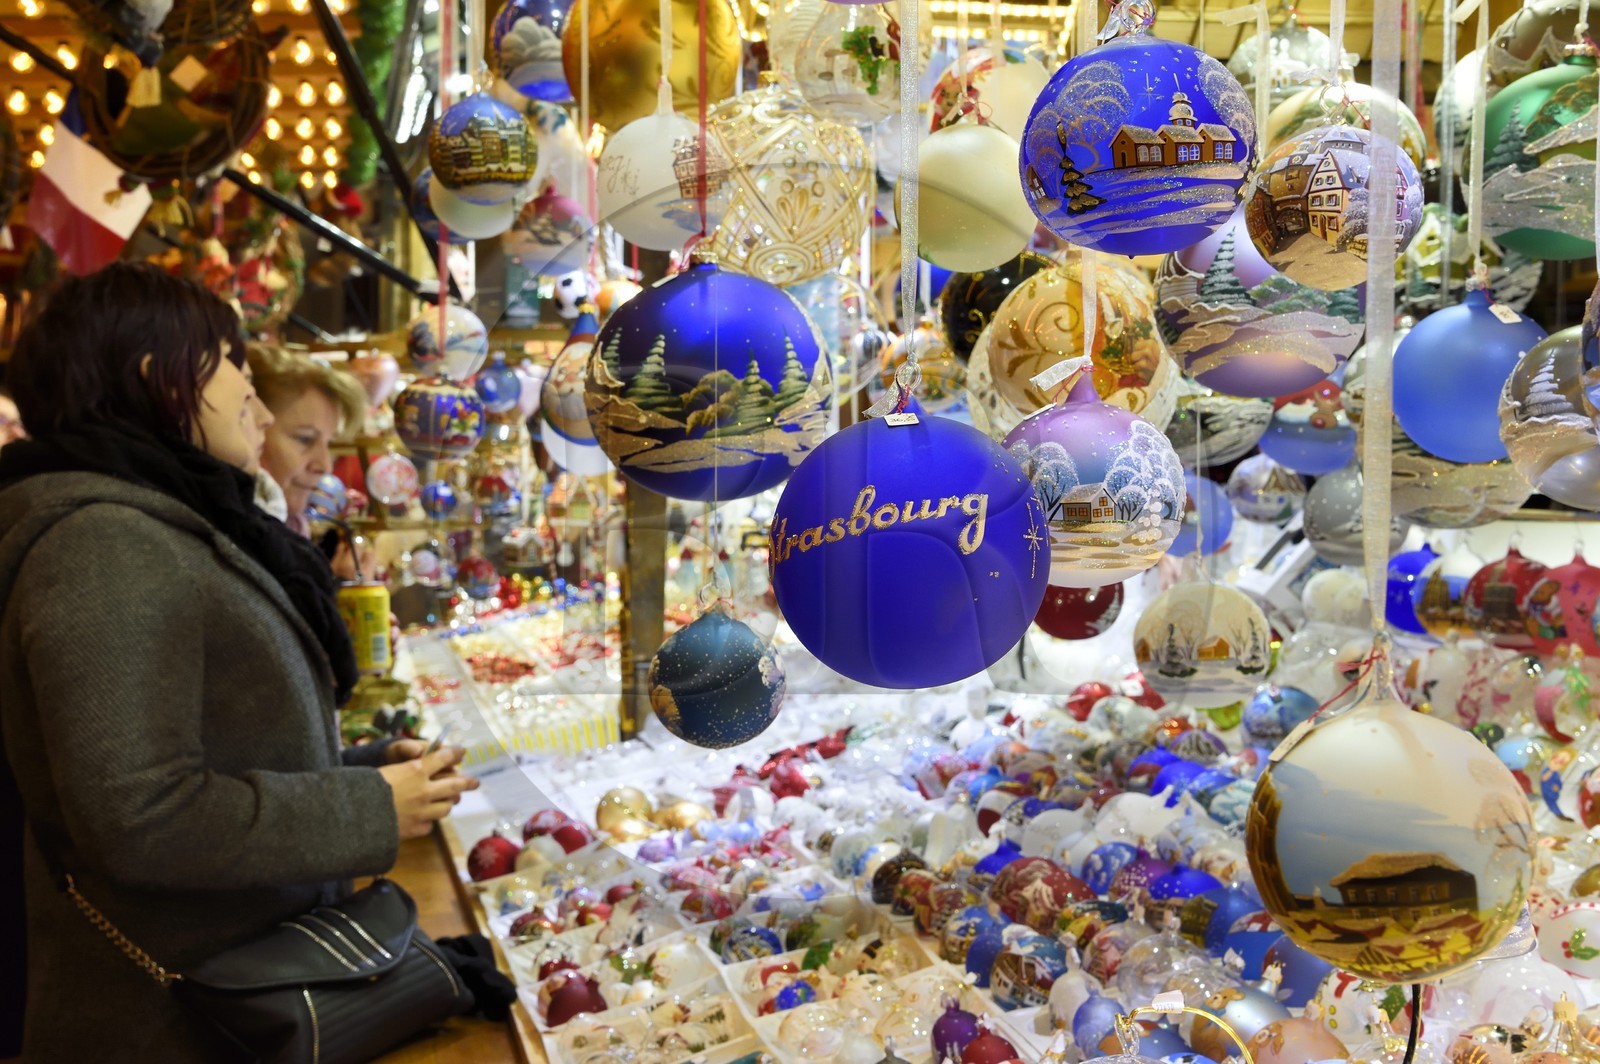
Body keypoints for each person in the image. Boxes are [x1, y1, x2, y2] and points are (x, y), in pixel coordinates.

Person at [0, 263, 479, 1061]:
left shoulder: (160, 520)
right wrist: (364, 811)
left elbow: (199, 742)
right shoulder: (103, 542)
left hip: (243, 999)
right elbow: (141, 817)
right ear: (160, 379)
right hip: (173, 1023)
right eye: (231, 367)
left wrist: (360, 770)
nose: (254, 404)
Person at [246, 343, 367, 536]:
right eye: (305, 439)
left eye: (329, 443)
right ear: (248, 426)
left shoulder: (293, 529)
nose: (325, 465)